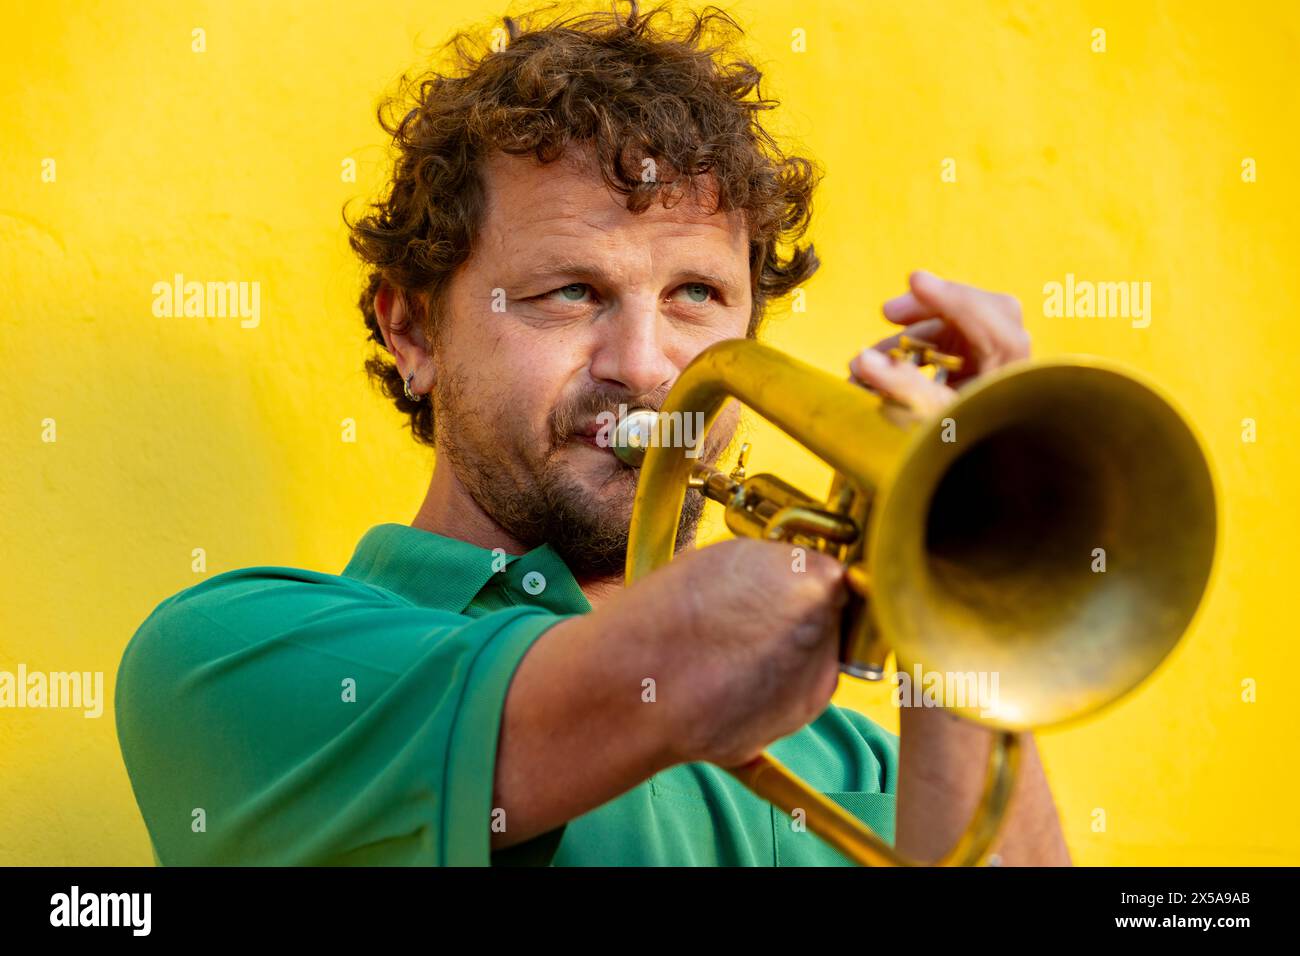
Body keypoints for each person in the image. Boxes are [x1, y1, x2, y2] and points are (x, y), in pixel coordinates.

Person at [115, 1, 1069, 866]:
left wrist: (964, 559)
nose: (648, 366)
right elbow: (636, 680)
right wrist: (712, 622)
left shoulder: (859, 756)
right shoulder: (225, 658)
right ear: (411, 329)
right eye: (569, 292)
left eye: (697, 295)